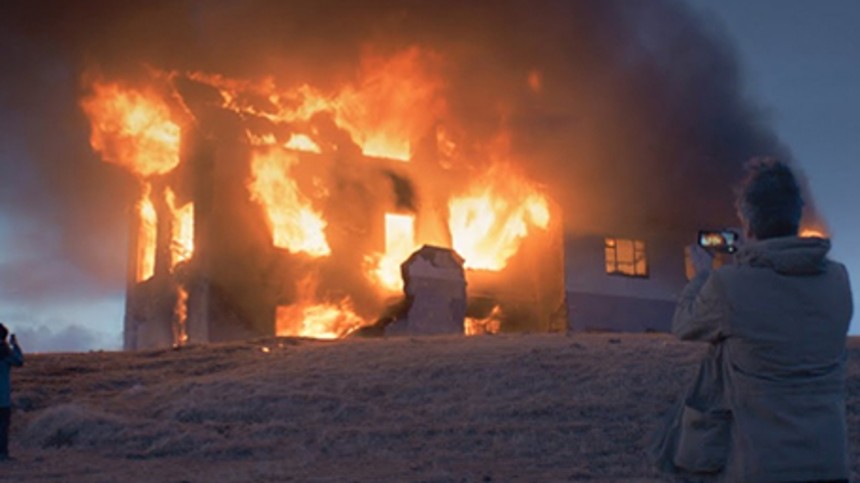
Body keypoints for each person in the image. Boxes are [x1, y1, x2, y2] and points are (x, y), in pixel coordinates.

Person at [653, 158, 853, 482]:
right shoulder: (838, 280)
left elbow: (685, 325)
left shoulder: (728, 285)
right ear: (797, 216)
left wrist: (702, 275)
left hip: (762, 467)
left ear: (747, 225)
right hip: (829, 463)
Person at [0, 323, 24, 461]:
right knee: (3, 427)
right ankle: (2, 454)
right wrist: (14, 345)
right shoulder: (6, 353)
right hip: (3, 398)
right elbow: (19, 361)